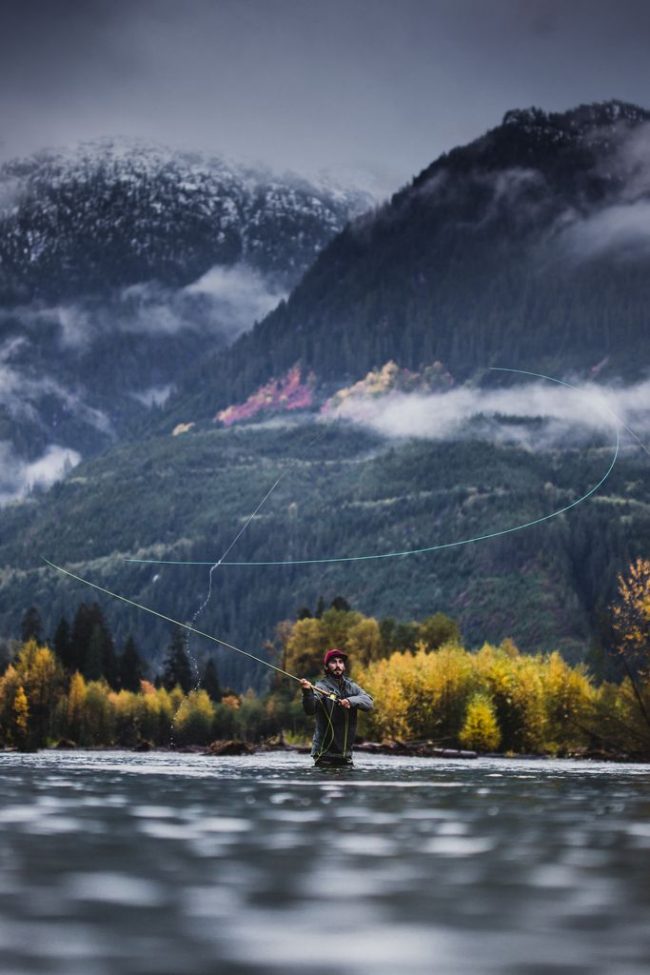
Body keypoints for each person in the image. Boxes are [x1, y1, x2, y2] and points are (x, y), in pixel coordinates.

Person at [300, 648, 373, 766]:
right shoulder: (321, 686)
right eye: (333, 662)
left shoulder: (352, 687)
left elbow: (368, 702)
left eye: (340, 662)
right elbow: (310, 709)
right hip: (324, 754)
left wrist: (350, 701)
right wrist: (307, 692)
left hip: (345, 755)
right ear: (327, 666)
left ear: (344, 666)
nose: (338, 665)